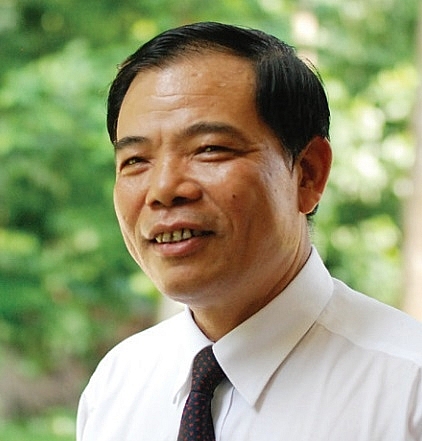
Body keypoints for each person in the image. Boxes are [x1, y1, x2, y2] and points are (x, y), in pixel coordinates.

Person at [77, 22, 422, 440]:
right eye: (135, 160)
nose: (164, 189)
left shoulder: (408, 390)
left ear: (308, 173)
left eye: (210, 149)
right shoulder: (117, 386)